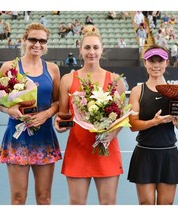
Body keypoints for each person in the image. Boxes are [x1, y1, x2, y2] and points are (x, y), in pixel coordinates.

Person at [54, 25, 126, 205]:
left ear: (102, 50)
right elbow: (64, 117)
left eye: (95, 47)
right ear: (80, 50)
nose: (91, 52)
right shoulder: (68, 80)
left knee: (108, 205)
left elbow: (121, 119)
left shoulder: (116, 81)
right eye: (87, 47)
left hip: (107, 150)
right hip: (78, 149)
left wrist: (111, 134)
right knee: (77, 205)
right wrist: (60, 125)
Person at [0, 23, 62, 205]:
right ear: (24, 40)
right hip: (18, 138)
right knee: (18, 199)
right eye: (33, 39)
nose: (37, 44)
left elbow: (58, 102)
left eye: (42, 41)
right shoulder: (9, 67)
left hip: (44, 137)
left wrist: (46, 114)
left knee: (44, 198)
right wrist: (9, 110)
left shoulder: (53, 69)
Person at [127, 45, 178, 205]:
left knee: (166, 206)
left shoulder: (175, 91)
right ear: (145, 63)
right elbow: (133, 125)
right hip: (145, 154)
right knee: (146, 205)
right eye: (151, 61)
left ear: (166, 63)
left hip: (168, 154)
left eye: (160, 60)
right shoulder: (137, 91)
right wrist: (154, 122)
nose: (156, 65)